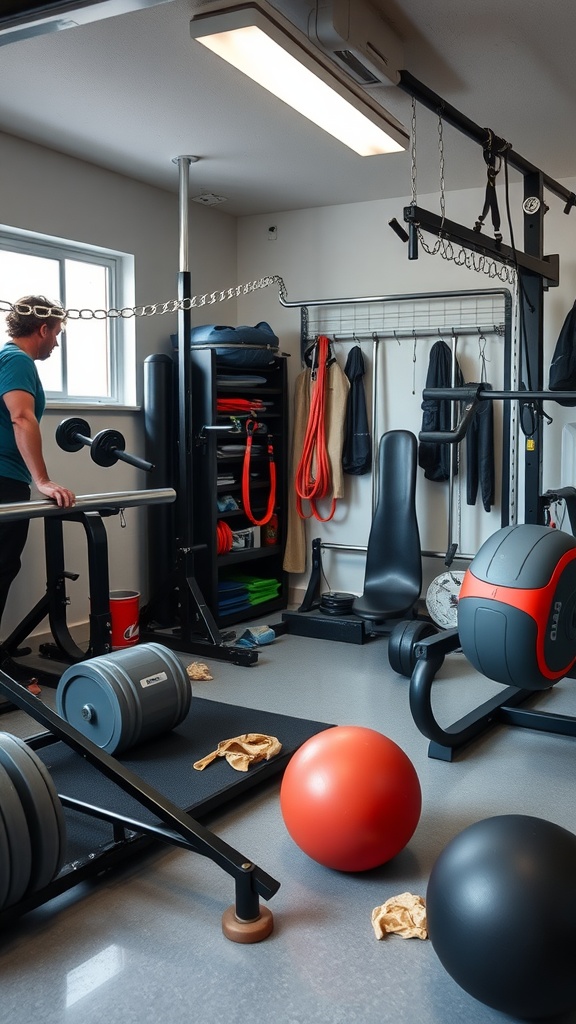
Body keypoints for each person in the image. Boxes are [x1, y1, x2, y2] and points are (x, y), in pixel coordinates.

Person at [0, 295, 76, 634]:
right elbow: (21, 417)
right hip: (4, 479)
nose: (56, 343)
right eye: (56, 333)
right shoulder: (17, 360)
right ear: (42, 328)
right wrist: (43, 480)